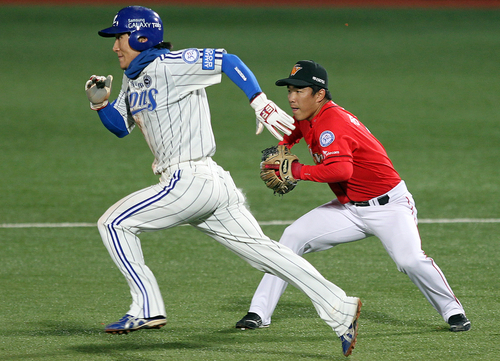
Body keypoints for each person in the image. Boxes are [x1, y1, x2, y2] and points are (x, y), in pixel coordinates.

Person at [85, 6, 361, 357]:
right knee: (265, 254)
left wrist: (258, 100)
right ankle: (340, 307)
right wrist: (100, 105)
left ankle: (147, 307)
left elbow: (229, 61)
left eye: (119, 38)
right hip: (210, 186)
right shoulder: (132, 79)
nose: (114, 47)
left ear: (141, 37)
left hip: (190, 180)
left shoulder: (174, 63)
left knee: (113, 223)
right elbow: (120, 127)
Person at [235, 60, 471, 333]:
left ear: (319, 94)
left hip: (389, 206)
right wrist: (284, 144)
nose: (291, 97)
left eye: (299, 91)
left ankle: (453, 312)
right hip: (349, 208)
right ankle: (258, 312)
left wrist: (297, 171)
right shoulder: (310, 117)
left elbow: (340, 170)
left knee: (410, 260)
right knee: (292, 237)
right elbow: (298, 130)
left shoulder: (331, 124)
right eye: (289, 90)